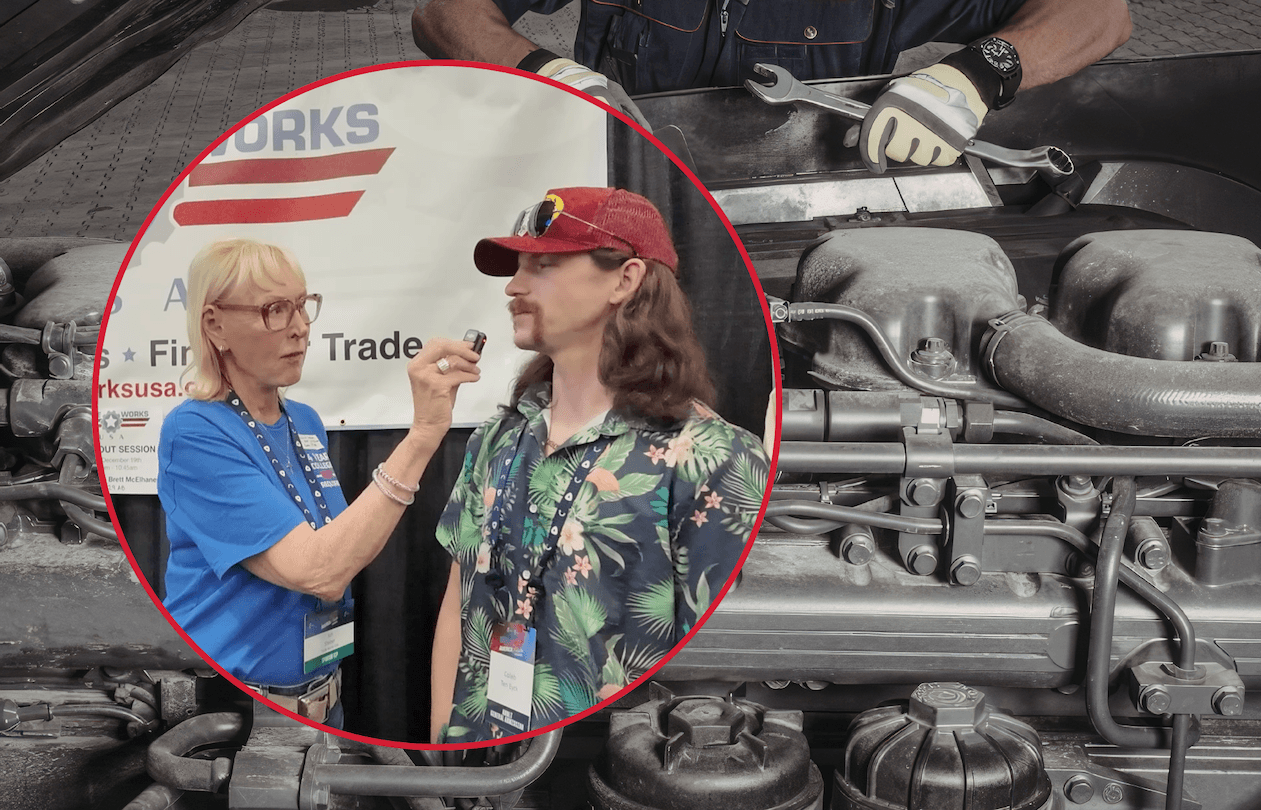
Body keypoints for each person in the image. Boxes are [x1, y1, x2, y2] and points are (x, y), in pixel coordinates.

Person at [430, 187, 769, 743]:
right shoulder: (496, 440)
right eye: (518, 268)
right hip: (479, 763)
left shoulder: (715, 457)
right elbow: (457, 602)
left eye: (543, 266)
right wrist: (441, 747)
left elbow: (716, 670)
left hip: (609, 772)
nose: (514, 286)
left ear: (625, 280)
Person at [158, 238, 480, 726]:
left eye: (302, 305)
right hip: (233, 718)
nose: (301, 328)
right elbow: (319, 571)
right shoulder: (195, 432)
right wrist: (423, 436)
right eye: (274, 310)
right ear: (215, 325)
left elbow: (338, 551)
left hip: (323, 701)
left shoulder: (304, 421)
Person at [410, 0, 1131, 172]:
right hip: (635, 178)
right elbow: (442, 12)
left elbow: (1100, 12)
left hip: (815, 200)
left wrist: (973, 75)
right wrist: (546, 72)